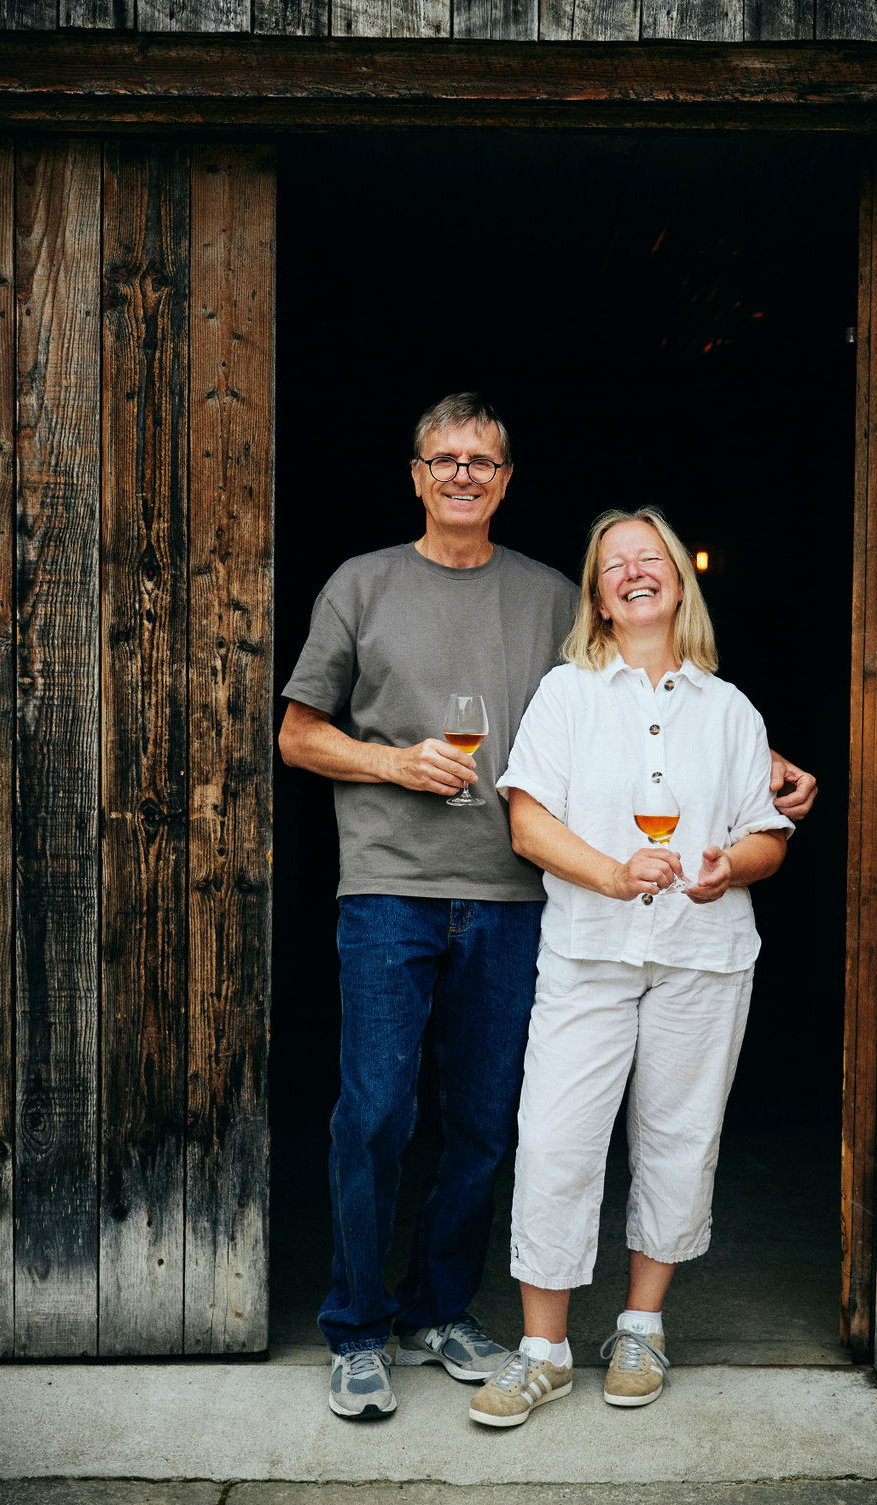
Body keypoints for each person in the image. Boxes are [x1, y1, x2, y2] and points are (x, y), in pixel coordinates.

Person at [278, 396, 816, 1423]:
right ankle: (356, 1322)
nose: (464, 473)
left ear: (509, 477)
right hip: (395, 883)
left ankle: (441, 1310)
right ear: (416, 472)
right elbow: (297, 735)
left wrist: (759, 765)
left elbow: (654, 709)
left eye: (483, 459)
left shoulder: (548, 599)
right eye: (445, 458)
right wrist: (395, 759)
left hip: (514, 899)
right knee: (378, 1110)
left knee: (483, 1125)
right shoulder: (363, 582)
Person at [469, 507, 793, 1429]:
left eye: (651, 558)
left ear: (679, 583)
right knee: (557, 1139)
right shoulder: (567, 695)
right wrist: (613, 874)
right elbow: (528, 823)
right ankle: (543, 1352)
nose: (636, 571)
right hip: (589, 954)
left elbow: (766, 835)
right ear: (599, 598)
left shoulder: (730, 711)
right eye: (616, 564)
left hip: (704, 955)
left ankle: (642, 1325)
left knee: (679, 1139)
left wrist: (733, 864)